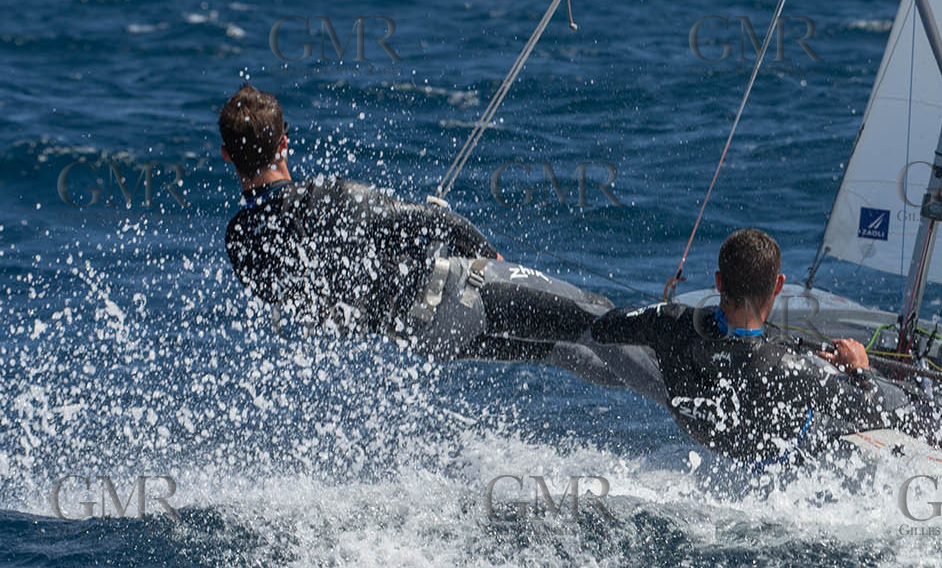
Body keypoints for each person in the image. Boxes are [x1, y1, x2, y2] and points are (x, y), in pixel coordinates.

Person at [219, 83, 664, 399]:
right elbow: (432, 220)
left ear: (227, 155)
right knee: (592, 314)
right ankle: (687, 399)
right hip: (458, 294)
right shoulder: (329, 197)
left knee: (559, 349)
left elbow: (307, 307)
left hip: (422, 336)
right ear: (284, 142)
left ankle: (673, 392)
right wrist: (489, 257)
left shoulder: (239, 239)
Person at [587, 229, 895, 463]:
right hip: (771, 460)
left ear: (719, 282)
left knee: (602, 333)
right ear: (778, 284)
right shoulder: (790, 369)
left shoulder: (673, 323)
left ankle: (543, 346)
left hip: (698, 424)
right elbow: (873, 412)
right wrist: (860, 369)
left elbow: (603, 327)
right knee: (893, 398)